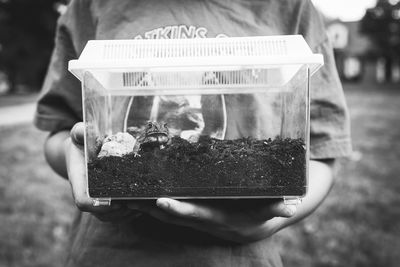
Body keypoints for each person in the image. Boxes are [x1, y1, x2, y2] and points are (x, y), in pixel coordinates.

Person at [34, 0, 352, 266]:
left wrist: (268, 222)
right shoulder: (88, 6)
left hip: (238, 256)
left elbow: (323, 153)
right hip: (108, 254)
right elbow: (60, 131)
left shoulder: (290, 6)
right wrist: (80, 159)